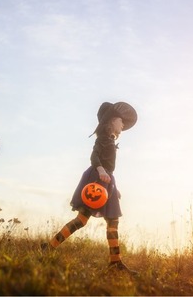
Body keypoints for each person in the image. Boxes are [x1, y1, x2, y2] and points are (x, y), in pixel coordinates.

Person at [42, 101, 138, 275]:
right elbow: (94, 156)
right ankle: (49, 247)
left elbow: (109, 169)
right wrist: (101, 170)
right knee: (83, 219)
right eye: (121, 121)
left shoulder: (110, 140)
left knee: (112, 221)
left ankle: (115, 263)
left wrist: (113, 188)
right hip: (97, 180)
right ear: (111, 121)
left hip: (106, 181)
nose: (123, 124)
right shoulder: (103, 137)